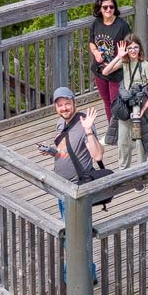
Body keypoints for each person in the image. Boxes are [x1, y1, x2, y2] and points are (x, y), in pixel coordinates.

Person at [39, 86, 109, 217]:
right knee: (66, 225)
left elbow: (97, 155)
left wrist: (88, 131)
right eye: (60, 105)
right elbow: (67, 150)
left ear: (74, 103)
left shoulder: (84, 124)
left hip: (77, 189)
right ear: (55, 107)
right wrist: (52, 152)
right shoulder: (61, 123)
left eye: (67, 104)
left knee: (77, 227)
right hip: (61, 185)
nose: (64, 108)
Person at [102, 36, 148, 168]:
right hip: (125, 105)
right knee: (123, 141)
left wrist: (144, 109)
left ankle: (140, 170)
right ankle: (123, 170)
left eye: (135, 47)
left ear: (140, 48)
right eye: (130, 48)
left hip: (138, 106)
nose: (133, 50)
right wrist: (118, 56)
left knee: (138, 140)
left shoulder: (145, 65)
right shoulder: (124, 62)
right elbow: (105, 72)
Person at [86, 0, 130, 147]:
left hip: (116, 72)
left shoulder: (122, 26)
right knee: (107, 102)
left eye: (111, 7)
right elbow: (91, 42)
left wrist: (114, 65)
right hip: (99, 70)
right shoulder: (96, 23)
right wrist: (95, 52)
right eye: (105, 7)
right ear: (99, 9)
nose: (108, 10)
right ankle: (113, 133)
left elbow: (128, 51)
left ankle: (122, 133)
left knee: (117, 104)